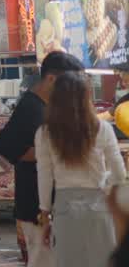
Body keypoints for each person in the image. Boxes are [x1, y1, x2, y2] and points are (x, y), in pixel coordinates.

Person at [0, 51, 85, 267]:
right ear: (52, 79)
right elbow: (4, 146)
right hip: (36, 205)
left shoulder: (46, 107)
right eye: (71, 83)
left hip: (49, 205)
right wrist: (48, 154)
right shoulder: (31, 108)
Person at [35, 70, 124, 265]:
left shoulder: (44, 134)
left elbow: (44, 176)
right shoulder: (103, 129)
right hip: (100, 208)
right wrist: (105, 182)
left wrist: (45, 214)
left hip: (64, 210)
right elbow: (119, 174)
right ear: (86, 97)